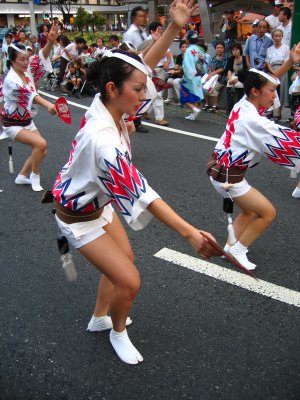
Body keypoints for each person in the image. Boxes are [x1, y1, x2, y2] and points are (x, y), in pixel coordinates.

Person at [52, 0, 218, 366]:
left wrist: (173, 28)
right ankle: (117, 331)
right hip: (77, 215)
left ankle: (100, 318)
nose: (144, 94)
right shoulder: (103, 138)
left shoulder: (112, 103)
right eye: (139, 90)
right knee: (129, 281)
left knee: (121, 264)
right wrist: (189, 232)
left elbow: (140, 69)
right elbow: (141, 191)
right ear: (113, 88)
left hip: (98, 203)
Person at [207, 44, 300, 270]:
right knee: (267, 212)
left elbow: (266, 82)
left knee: (250, 211)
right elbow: (286, 139)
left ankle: (229, 248)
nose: (274, 96)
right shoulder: (253, 120)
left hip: (221, 170)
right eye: (271, 92)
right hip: (230, 177)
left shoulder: (244, 104)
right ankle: (239, 251)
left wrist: (289, 62)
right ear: (256, 92)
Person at [2, 25, 59, 191]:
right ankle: (35, 177)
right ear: (12, 60)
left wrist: (50, 42)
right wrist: (49, 104)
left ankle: (21, 176)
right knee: (41, 144)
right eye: (22, 59)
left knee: (42, 150)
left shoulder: (27, 71)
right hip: (12, 125)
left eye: (27, 58)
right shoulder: (11, 81)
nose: (26, 62)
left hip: (27, 121)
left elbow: (41, 58)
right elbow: (29, 95)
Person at [123, 6, 149, 133]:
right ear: (134, 17)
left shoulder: (144, 32)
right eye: (140, 16)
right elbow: (127, 51)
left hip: (144, 65)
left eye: (144, 16)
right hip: (134, 66)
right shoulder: (129, 33)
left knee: (144, 93)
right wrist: (140, 52)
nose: (142, 18)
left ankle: (137, 117)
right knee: (137, 93)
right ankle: (134, 121)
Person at [266, 29, 290, 122]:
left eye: (279, 36)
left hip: (282, 70)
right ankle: (271, 111)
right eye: (275, 36)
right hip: (272, 71)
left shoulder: (286, 48)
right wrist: (273, 72)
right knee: (271, 91)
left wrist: (279, 72)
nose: (277, 38)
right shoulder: (269, 49)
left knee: (280, 92)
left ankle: (278, 113)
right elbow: (267, 62)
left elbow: (286, 61)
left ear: (282, 37)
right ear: (273, 37)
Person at [180, 30, 204, 120]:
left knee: (184, 95)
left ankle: (194, 109)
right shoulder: (199, 49)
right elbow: (202, 61)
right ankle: (193, 114)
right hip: (198, 75)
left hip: (190, 76)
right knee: (196, 95)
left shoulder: (188, 51)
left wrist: (188, 75)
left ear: (188, 40)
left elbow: (187, 64)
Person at [203, 41, 227, 112]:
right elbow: (211, 67)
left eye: (221, 48)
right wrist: (210, 71)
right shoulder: (214, 57)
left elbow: (222, 69)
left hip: (221, 78)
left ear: (223, 49)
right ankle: (207, 104)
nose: (219, 49)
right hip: (212, 77)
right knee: (204, 86)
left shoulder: (225, 58)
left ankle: (215, 105)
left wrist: (212, 74)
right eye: (217, 48)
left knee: (214, 87)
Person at [225, 43, 248, 115]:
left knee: (240, 90)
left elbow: (246, 71)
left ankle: (238, 109)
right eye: (233, 50)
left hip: (242, 77)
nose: (235, 51)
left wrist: (236, 79)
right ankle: (230, 109)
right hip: (233, 76)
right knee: (228, 89)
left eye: (236, 50)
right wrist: (230, 79)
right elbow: (229, 70)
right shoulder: (231, 59)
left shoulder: (244, 58)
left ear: (240, 50)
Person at [164, 40, 187, 104]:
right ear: (180, 48)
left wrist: (176, 71)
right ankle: (170, 98)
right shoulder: (179, 57)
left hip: (187, 76)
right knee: (169, 80)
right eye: (183, 47)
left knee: (175, 81)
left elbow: (185, 69)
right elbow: (176, 66)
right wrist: (173, 70)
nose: (184, 48)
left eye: (186, 47)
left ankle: (182, 99)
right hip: (180, 75)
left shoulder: (189, 57)